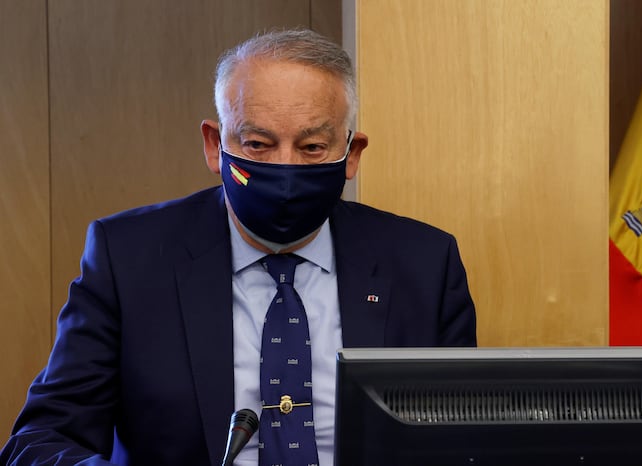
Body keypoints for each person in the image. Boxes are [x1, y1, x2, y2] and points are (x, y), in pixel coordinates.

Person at [0, 28, 476, 465]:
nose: (285, 169)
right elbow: (39, 441)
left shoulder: (424, 265)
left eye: (312, 148)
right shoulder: (129, 260)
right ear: (215, 145)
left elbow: (465, 443)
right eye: (257, 144)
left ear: (351, 155)